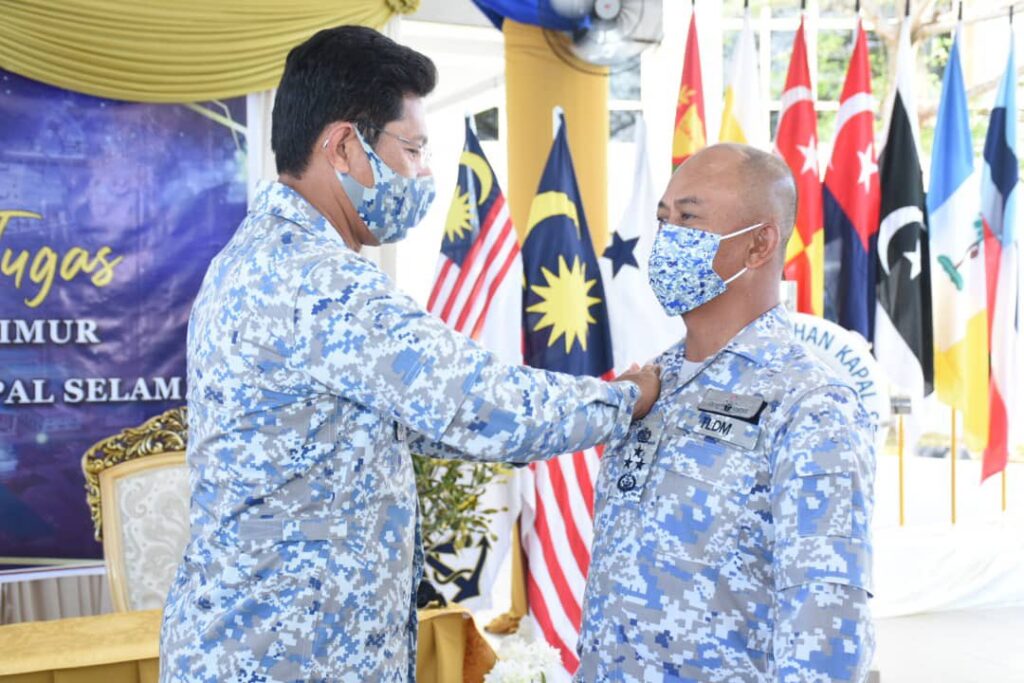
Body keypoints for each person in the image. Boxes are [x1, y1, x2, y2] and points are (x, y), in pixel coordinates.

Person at [159, 26, 660, 683]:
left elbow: (421, 420)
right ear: (343, 145)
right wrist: (630, 396)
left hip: (268, 641)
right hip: (289, 657)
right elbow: (483, 405)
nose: (424, 174)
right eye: (415, 149)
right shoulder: (316, 278)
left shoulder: (260, 254)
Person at [576, 143, 875, 682]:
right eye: (663, 219)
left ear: (759, 243)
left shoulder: (809, 401)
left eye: (689, 218)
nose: (667, 238)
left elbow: (828, 621)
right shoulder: (652, 383)